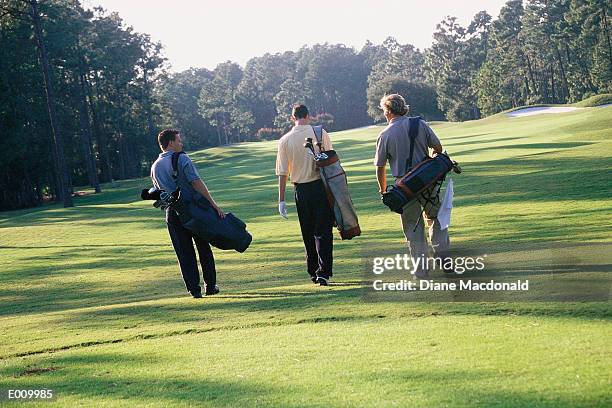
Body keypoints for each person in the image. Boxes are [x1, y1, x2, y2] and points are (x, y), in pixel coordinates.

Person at [374, 94, 451, 278]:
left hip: (404, 188)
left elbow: (380, 167)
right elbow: (438, 148)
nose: (384, 114)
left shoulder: (385, 134)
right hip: (428, 181)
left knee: (413, 228)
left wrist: (383, 190)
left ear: (389, 110)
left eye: (384, 110)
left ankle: (421, 269)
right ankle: (445, 260)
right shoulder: (420, 124)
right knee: (436, 220)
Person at [151, 129, 224, 298]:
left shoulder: (155, 166)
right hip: (192, 210)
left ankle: (194, 290)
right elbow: (196, 183)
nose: (181, 143)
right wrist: (213, 205)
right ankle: (210, 286)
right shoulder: (182, 158)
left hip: (172, 213)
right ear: (170, 143)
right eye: (178, 140)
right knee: (203, 247)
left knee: (184, 252)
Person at [276, 104, 335, 285]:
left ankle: (313, 271)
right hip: (320, 187)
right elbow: (331, 160)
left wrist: (281, 200)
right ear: (308, 116)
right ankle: (323, 271)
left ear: (292, 117)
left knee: (307, 232)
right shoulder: (319, 133)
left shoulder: (285, 140)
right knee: (323, 231)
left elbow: (282, 173)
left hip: (301, 190)